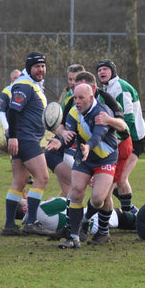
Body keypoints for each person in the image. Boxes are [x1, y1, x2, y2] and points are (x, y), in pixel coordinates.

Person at [46, 83, 118, 249]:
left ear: (91, 98)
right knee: (77, 191)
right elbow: (70, 137)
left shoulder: (102, 112)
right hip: (83, 158)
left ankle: (85, 219)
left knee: (99, 199)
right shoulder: (73, 112)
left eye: (81, 98)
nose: (77, 101)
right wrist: (60, 142)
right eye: (75, 97)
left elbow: (98, 135)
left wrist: (88, 146)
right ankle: (73, 237)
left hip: (105, 158)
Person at [70, 71, 132, 242]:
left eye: (81, 93)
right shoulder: (74, 102)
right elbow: (65, 125)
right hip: (89, 152)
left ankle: (99, 228)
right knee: (99, 194)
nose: (76, 98)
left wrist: (109, 120)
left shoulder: (106, 100)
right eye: (74, 90)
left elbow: (123, 125)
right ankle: (97, 230)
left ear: (93, 88)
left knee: (104, 195)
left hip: (116, 148)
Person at [1, 51, 51, 236]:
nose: (41, 69)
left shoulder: (32, 84)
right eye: (37, 66)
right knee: (43, 177)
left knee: (20, 181)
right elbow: (13, 111)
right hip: (25, 138)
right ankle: (31, 221)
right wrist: (13, 136)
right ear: (29, 67)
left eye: (43, 66)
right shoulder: (24, 84)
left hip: (24, 137)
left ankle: (9, 226)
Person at [97, 59, 145, 214]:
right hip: (121, 139)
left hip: (134, 138)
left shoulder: (120, 88)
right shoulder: (105, 89)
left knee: (119, 178)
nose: (102, 72)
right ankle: (129, 211)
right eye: (99, 70)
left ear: (113, 71)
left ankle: (129, 214)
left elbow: (128, 120)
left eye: (105, 69)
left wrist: (118, 140)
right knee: (116, 179)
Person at [45, 64, 85, 198]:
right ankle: (66, 205)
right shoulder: (68, 96)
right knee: (51, 153)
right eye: (70, 79)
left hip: (87, 144)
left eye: (76, 79)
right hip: (70, 143)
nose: (72, 83)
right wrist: (62, 133)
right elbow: (59, 123)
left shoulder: (92, 96)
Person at [0, 69, 21, 137]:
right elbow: (1, 111)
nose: (17, 80)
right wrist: (7, 128)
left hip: (23, 130)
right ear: (11, 79)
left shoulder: (25, 90)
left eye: (19, 78)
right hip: (11, 130)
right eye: (15, 78)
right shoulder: (6, 91)